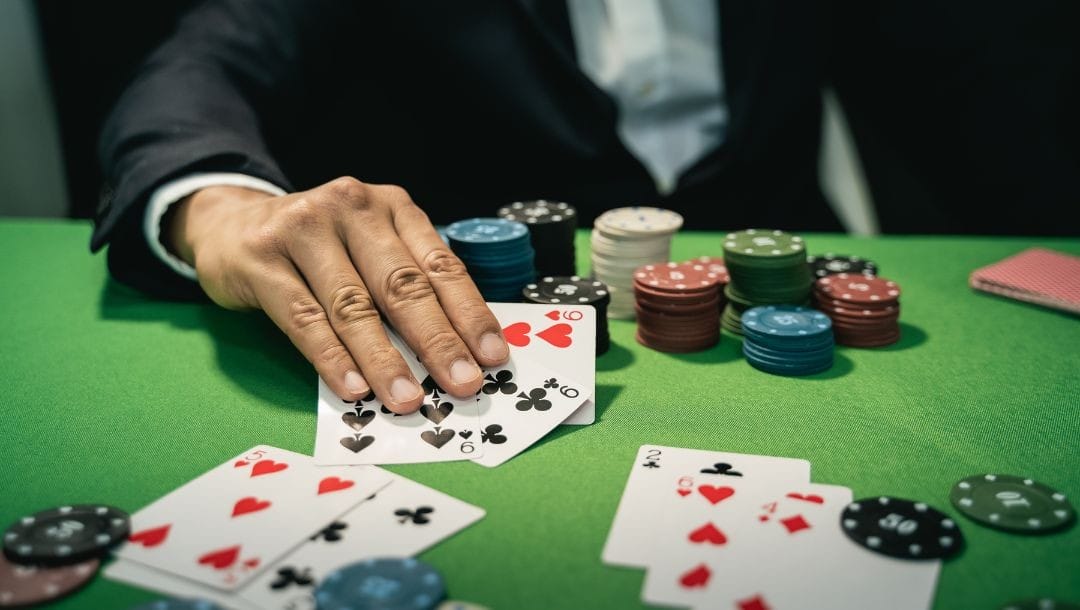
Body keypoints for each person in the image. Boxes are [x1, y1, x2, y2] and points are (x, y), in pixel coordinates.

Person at [93, 1, 835, 413]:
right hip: (478, 284)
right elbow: (206, 61)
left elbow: (952, 64)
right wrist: (220, 204)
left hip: (775, 248)